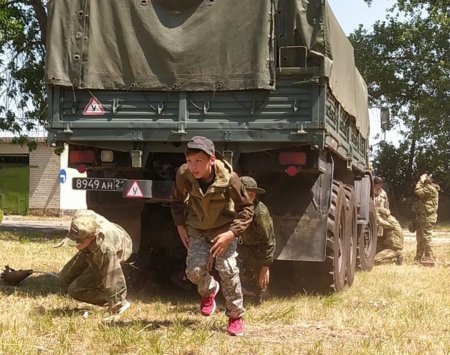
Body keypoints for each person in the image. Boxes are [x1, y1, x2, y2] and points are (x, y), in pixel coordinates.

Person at [170, 136, 254, 336]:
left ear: (211, 159)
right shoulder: (184, 174)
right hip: (197, 228)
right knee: (193, 272)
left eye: (198, 161)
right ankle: (209, 290)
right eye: (189, 161)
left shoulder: (230, 178)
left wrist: (231, 234)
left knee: (227, 268)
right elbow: (176, 201)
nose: (193, 167)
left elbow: (246, 209)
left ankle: (235, 316)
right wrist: (180, 225)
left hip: (223, 229)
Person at [57, 210, 133, 320]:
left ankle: (118, 302)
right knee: (64, 278)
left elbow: (112, 276)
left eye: (79, 243)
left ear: (91, 237)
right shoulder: (81, 219)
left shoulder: (105, 249)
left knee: (76, 290)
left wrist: (117, 303)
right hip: (90, 246)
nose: (75, 246)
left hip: (121, 247)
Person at [237, 176, 276, 304]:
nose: (248, 197)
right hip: (239, 244)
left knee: (259, 277)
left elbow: (269, 241)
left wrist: (265, 267)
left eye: (252, 194)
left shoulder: (260, 212)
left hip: (258, 247)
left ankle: (260, 295)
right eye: (244, 193)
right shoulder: (231, 206)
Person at [412, 173, 440, 264]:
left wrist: (420, 180)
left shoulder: (430, 189)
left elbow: (417, 191)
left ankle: (428, 257)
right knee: (420, 238)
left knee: (426, 238)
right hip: (422, 217)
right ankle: (418, 257)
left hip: (427, 218)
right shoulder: (428, 189)